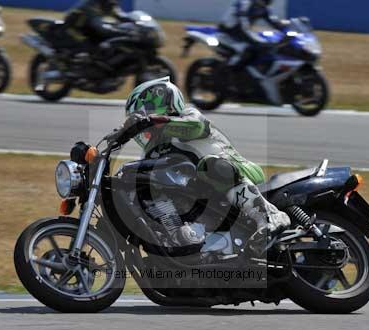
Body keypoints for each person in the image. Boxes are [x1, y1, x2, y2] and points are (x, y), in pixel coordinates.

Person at [122, 77, 291, 255]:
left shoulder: (188, 116)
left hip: (235, 171)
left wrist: (154, 121)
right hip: (204, 193)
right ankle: (179, 239)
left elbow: (194, 127)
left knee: (211, 166)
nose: (140, 120)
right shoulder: (154, 151)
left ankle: (270, 215)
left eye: (143, 112)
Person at [219, 0, 290, 68]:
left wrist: (286, 31)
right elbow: (243, 22)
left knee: (266, 47)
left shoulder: (264, 8)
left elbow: (274, 21)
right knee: (248, 49)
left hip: (242, 30)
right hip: (230, 29)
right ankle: (231, 68)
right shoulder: (245, 3)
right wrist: (254, 39)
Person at [63, 0, 132, 51]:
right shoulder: (93, 4)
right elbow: (98, 26)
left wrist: (135, 22)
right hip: (74, 27)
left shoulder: (111, 4)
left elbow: (120, 16)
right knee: (91, 47)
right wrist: (121, 32)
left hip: (88, 26)